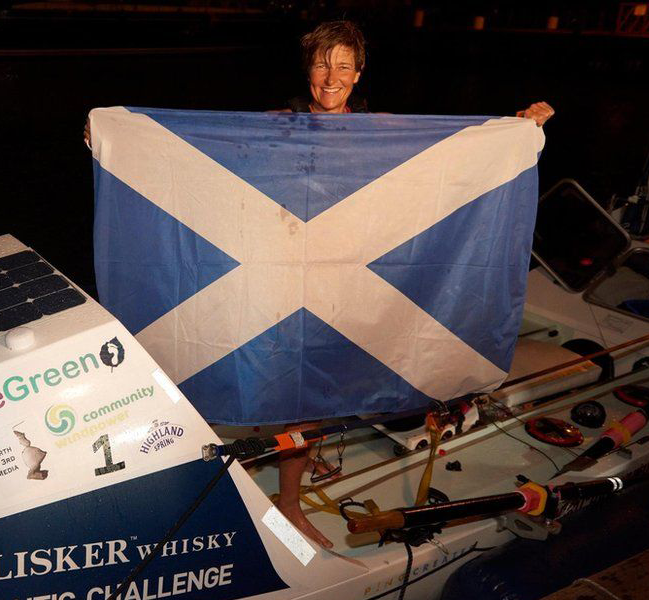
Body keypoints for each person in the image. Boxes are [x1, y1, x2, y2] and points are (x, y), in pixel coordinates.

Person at [84, 20, 554, 549]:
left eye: (344, 65)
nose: (331, 76)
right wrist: (116, 144)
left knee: (323, 394)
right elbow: (192, 164)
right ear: (308, 68)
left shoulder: (382, 136)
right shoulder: (275, 129)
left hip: (346, 289)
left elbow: (456, 168)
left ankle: (297, 491)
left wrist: (517, 133)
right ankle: (285, 502)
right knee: (290, 396)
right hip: (275, 284)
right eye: (321, 63)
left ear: (359, 73)